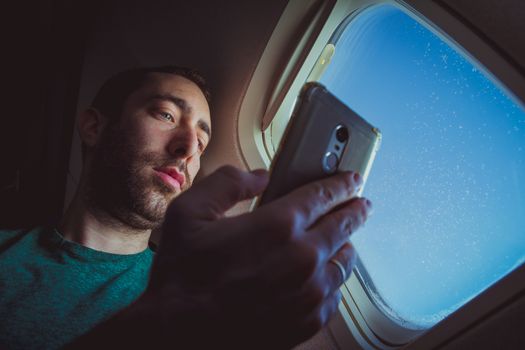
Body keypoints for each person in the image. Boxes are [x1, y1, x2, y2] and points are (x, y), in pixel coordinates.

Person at [0, 66, 372, 349]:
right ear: (94, 127)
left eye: (203, 142)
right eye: (165, 115)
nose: (189, 148)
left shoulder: (209, 284)